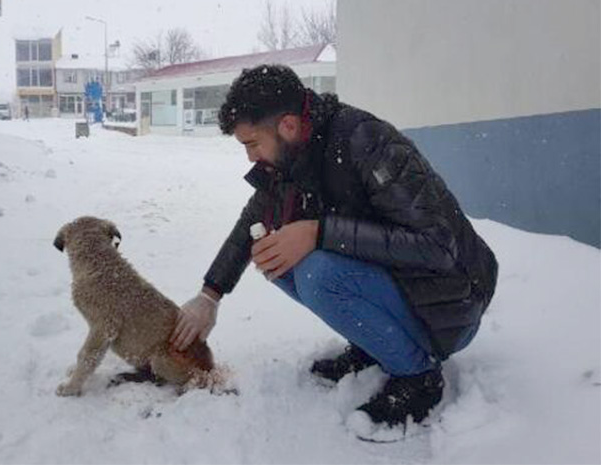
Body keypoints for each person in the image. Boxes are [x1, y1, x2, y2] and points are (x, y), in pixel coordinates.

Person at [170, 64, 498, 427]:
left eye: (252, 144)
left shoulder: (367, 142)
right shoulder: (294, 154)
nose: (250, 157)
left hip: (451, 305)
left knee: (316, 272)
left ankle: (418, 376)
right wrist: (209, 295)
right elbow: (253, 220)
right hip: (408, 290)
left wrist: (319, 232)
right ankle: (376, 347)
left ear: (288, 126)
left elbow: (436, 247)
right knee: (276, 254)